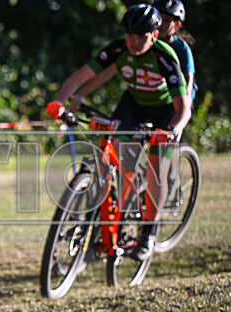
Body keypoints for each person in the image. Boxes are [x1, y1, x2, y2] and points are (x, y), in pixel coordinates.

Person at [47, 3, 191, 261]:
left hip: (165, 111)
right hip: (134, 105)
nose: (135, 43)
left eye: (142, 37)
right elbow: (80, 76)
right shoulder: (117, 48)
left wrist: (172, 131)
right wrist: (60, 103)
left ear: (155, 35)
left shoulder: (165, 56)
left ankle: (148, 233)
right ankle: (115, 220)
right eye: (130, 36)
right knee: (121, 162)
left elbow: (184, 109)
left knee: (155, 169)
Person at [154, 0, 196, 102]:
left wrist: (185, 105)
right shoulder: (147, 41)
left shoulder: (181, 48)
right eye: (159, 17)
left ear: (177, 25)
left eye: (167, 20)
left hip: (180, 95)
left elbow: (188, 80)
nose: (161, 24)